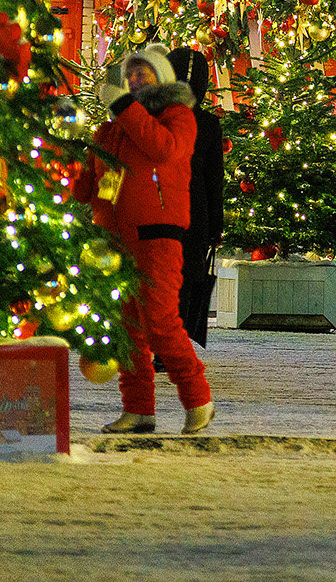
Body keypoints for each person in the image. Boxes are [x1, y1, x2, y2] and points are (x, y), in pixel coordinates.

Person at [74, 44, 214, 435]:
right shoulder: (110, 129)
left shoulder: (177, 116)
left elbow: (163, 148)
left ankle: (198, 397)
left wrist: (124, 109)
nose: (135, 79)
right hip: (113, 242)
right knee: (127, 328)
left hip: (157, 234)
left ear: (162, 78)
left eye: (143, 73)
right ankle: (138, 409)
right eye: (130, 74)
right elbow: (87, 189)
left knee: (160, 320)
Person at [167, 47, 223, 348]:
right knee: (187, 280)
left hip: (160, 207)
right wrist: (216, 224)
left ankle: (162, 342)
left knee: (162, 278)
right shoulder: (209, 124)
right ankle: (175, 343)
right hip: (194, 211)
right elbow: (215, 178)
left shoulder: (154, 117)